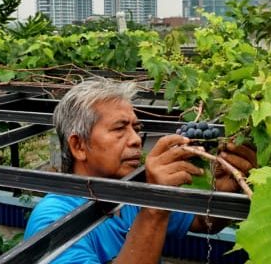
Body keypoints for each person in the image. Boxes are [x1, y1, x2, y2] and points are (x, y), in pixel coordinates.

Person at [24, 79, 256, 263]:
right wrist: (155, 206)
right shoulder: (53, 218)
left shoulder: (129, 194)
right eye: (119, 129)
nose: (136, 140)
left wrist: (228, 191)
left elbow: (203, 221)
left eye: (136, 129)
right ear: (79, 146)